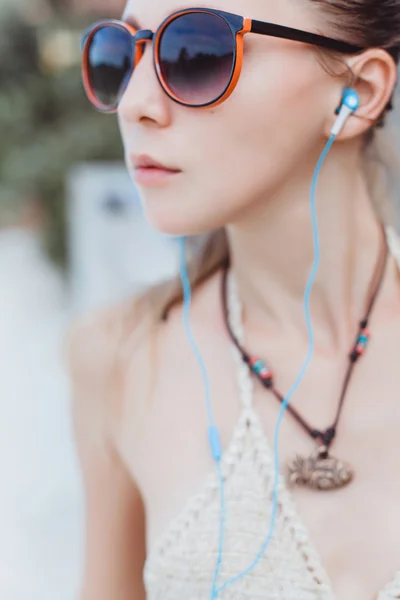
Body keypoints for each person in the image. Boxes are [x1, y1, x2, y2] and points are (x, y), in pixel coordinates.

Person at [67, 1, 400, 599]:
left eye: (196, 51)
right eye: (121, 55)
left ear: (358, 91)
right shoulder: (115, 358)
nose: (136, 103)